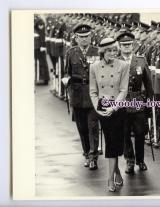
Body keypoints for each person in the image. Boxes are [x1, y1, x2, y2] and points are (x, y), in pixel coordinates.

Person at [89, 37, 130, 192]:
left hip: (118, 108)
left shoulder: (124, 65)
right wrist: (97, 108)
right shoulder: (94, 67)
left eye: (115, 50)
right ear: (103, 52)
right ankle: (114, 175)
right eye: (110, 50)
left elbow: (123, 90)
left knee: (114, 143)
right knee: (110, 141)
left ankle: (111, 177)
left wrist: (115, 107)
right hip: (102, 108)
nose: (113, 53)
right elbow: (93, 91)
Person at [63, 24, 100, 170]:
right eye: (81, 37)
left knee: (93, 127)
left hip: (93, 94)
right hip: (77, 94)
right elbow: (67, 72)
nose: (84, 40)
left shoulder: (97, 52)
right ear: (76, 38)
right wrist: (66, 80)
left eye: (87, 36)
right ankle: (86, 152)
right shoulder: (71, 53)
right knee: (82, 127)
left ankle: (93, 157)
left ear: (91, 37)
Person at [116, 32, 153, 174]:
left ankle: (141, 160)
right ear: (119, 47)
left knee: (140, 132)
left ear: (133, 45)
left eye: (129, 45)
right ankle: (129, 160)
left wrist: (149, 103)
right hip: (122, 101)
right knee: (125, 133)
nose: (126, 47)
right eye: (124, 45)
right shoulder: (115, 61)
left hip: (138, 101)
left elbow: (148, 85)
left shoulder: (141, 61)